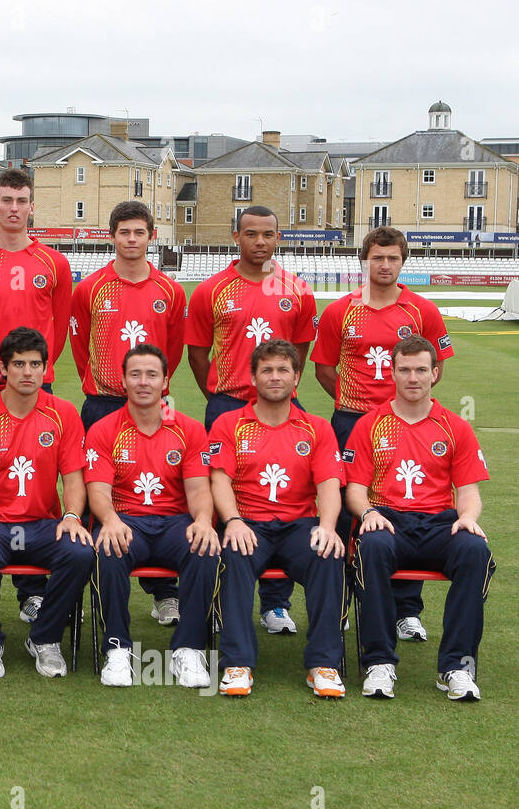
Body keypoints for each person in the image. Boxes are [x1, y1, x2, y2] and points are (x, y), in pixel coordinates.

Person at [312, 226, 455, 642]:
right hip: (351, 419)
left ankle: (405, 610)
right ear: (365, 260)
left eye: (393, 257)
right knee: (340, 509)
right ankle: (338, 599)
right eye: (378, 257)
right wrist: (354, 403)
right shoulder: (341, 310)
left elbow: (436, 365)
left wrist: (404, 406)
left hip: (406, 424)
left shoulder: (421, 311)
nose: (385, 265)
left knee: (408, 508)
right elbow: (324, 367)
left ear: (403, 260)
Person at [186, 205, 318, 635]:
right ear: (235, 235)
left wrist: (277, 391)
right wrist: (220, 397)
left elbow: (298, 350)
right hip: (226, 406)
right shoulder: (211, 290)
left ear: (279, 237)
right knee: (226, 499)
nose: (260, 241)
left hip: (283, 409)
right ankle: (226, 596)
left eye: (268, 234)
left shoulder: (297, 290)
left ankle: (275, 604)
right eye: (251, 234)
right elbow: (198, 351)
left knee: (281, 496)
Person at [346, 336, 491, 701]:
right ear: (392, 373)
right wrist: (368, 512)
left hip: (439, 523)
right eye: (405, 369)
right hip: (388, 520)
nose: (413, 377)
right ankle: (379, 662)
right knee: (372, 546)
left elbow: (469, 491)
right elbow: (354, 489)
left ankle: (456, 665)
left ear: (435, 373)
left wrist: (468, 518)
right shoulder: (369, 424)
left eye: (421, 370)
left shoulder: (455, 426)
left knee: (475, 550)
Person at [0, 169, 72, 623]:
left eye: (21, 200)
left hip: (33, 386)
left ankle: (32, 591)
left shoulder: (54, 264)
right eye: (5, 200)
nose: (13, 208)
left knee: (35, 482)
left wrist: (32, 373)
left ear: (30, 207)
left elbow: (60, 327)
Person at [207, 339, 346, 698]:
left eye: (283, 369)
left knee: (327, 553)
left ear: (296, 377)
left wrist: (327, 528)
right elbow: (219, 479)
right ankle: (238, 663)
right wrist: (233, 520)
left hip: (299, 525)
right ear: (252, 377)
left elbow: (330, 483)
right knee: (234, 555)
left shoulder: (316, 427)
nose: (275, 376)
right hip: (248, 522)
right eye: (266, 370)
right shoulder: (228, 423)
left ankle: (324, 664)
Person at [70, 201, 187, 627]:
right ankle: (84, 585)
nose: (132, 239)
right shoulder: (90, 289)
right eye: (124, 232)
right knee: (89, 491)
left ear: (151, 236)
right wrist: (103, 381)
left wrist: (155, 386)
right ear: (113, 236)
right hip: (102, 400)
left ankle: (165, 594)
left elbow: (171, 350)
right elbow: (80, 346)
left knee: (162, 491)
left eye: (139, 232)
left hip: (155, 402)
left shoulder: (170, 291)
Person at [0, 327, 93, 679]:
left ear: (46, 370)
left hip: (43, 525)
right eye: (18, 364)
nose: (27, 372)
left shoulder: (64, 413)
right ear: (2, 369)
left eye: (35, 364)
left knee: (80, 553)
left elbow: (74, 477)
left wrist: (73, 516)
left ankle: (45, 638)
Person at [85, 343, 218, 689]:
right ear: (124, 381)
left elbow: (199, 491)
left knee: (204, 547)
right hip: (126, 519)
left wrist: (203, 521)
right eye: (135, 374)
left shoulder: (188, 429)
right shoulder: (103, 429)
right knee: (108, 547)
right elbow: (98, 490)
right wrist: (110, 521)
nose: (143, 382)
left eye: (151, 374)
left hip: (174, 522)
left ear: (165, 381)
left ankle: (188, 648)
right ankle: (117, 648)